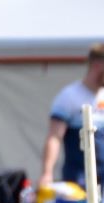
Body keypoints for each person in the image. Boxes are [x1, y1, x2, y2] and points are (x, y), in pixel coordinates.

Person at [38, 43, 104, 190]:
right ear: (96, 64)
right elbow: (54, 137)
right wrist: (47, 173)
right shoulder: (69, 96)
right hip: (79, 177)